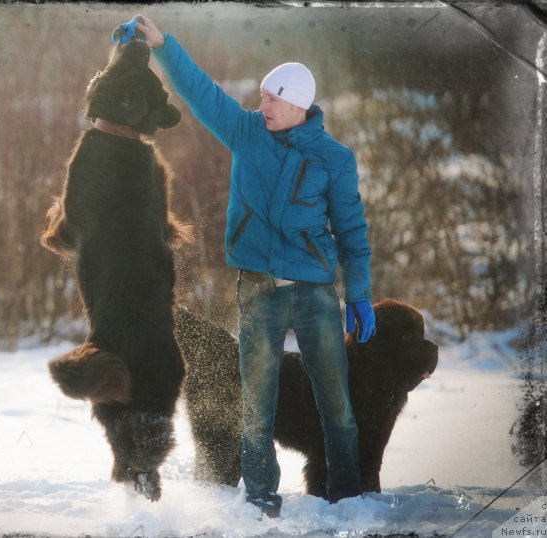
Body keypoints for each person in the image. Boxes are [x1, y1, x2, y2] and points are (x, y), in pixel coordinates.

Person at [132, 16, 377, 517]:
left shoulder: (335, 158)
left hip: (313, 293)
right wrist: (162, 46)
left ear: (298, 106)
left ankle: (349, 498)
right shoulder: (246, 132)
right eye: (262, 95)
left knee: (338, 405)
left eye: (271, 98)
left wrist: (359, 294)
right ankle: (261, 499)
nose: (260, 104)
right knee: (255, 406)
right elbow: (200, 92)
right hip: (258, 291)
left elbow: (352, 233)